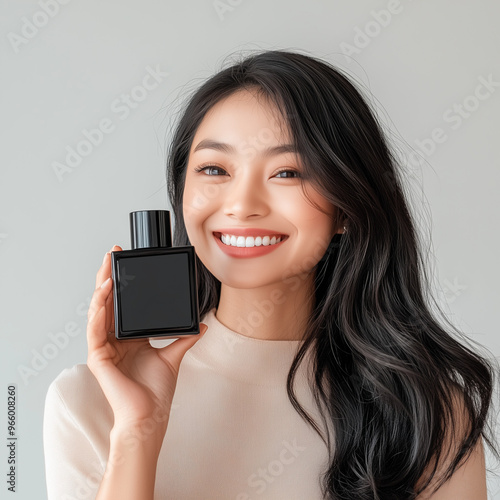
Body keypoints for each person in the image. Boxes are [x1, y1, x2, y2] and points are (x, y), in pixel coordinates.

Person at [43, 49, 499, 500]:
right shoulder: (88, 402)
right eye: (214, 169)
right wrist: (138, 431)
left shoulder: (427, 414)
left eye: (287, 172)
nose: (242, 204)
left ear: (347, 207)